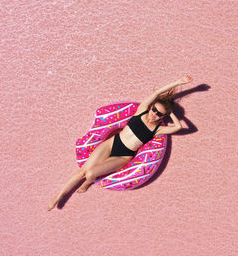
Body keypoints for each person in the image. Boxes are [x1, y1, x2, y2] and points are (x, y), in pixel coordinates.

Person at [48, 75, 193, 211]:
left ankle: (87, 183)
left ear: (163, 116)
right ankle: (58, 196)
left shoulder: (157, 129)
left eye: (158, 114)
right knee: (82, 172)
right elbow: (156, 93)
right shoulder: (141, 110)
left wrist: (170, 112)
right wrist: (179, 82)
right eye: (154, 109)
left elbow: (179, 127)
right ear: (151, 106)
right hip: (112, 143)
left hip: (123, 156)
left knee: (91, 174)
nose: (154, 113)